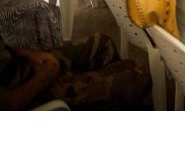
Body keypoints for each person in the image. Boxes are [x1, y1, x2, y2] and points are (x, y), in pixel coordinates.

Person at [0, 32, 151, 110]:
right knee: (138, 76)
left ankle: (100, 93)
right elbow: (12, 104)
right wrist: (46, 74)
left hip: (18, 66)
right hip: (27, 95)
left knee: (104, 44)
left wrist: (30, 54)